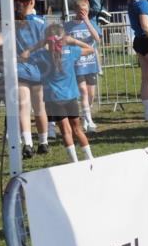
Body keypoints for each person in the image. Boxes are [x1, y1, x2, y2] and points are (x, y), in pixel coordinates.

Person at [22, 23, 96, 164]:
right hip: (71, 96)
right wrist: (73, 41)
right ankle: (90, 158)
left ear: (47, 39)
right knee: (77, 129)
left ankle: (74, 161)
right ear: (64, 39)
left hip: (54, 99)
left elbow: (24, 56)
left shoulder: (42, 55)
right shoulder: (71, 51)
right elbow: (90, 49)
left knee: (66, 131)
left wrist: (40, 44)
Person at [0, 0, 48, 157]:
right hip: (31, 69)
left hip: (29, 68)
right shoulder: (40, 22)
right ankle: (37, 143)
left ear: (31, 2)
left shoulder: (15, 22)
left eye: (23, 2)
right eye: (18, 2)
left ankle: (34, 143)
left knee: (32, 107)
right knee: (34, 107)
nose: (20, 5)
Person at [63, 0, 101, 133]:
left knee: (91, 94)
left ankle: (86, 117)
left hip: (91, 63)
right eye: (80, 11)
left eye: (85, 11)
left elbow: (97, 39)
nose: (82, 14)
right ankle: (89, 120)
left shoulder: (91, 23)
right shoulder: (67, 26)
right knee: (83, 92)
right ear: (75, 11)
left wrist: (87, 22)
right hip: (76, 64)